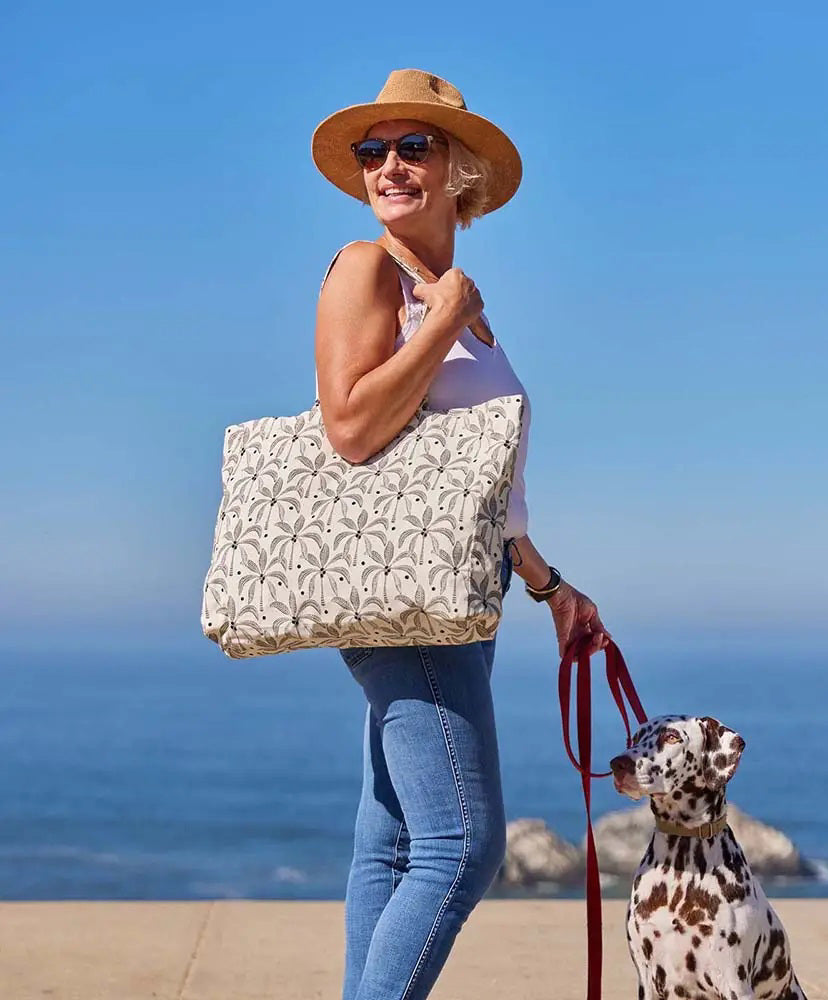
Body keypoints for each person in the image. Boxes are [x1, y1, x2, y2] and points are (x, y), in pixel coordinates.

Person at [310, 68, 611, 1000]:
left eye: (414, 147)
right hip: (406, 600)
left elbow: (471, 476)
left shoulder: (457, 302)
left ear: (461, 171)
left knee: (395, 841)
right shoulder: (371, 273)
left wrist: (550, 584)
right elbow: (351, 428)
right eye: (374, 151)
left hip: (461, 592)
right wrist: (437, 322)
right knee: (466, 846)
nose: (389, 166)